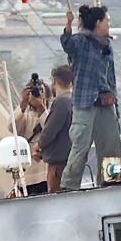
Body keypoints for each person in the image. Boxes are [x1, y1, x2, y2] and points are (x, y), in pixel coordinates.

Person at [60, 4, 121, 188]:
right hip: (84, 103)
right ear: (97, 22)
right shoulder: (81, 42)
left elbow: (110, 78)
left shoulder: (106, 46)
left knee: (112, 145)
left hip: (105, 102)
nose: (109, 24)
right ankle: (69, 186)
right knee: (81, 147)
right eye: (107, 21)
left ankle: (112, 182)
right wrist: (69, 25)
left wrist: (115, 107)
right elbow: (67, 44)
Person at [39, 65, 74, 194]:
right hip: (72, 159)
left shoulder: (61, 102)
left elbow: (50, 131)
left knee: (56, 197)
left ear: (54, 81)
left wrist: (39, 145)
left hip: (58, 163)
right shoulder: (75, 101)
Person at [12, 74, 49, 195]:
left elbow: (50, 129)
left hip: (45, 174)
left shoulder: (51, 115)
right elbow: (12, 126)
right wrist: (23, 103)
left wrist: (41, 108)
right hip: (27, 176)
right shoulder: (25, 118)